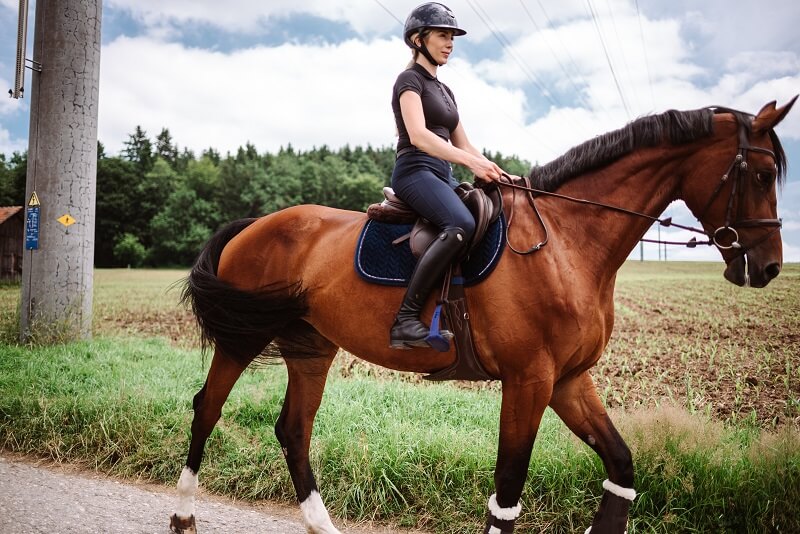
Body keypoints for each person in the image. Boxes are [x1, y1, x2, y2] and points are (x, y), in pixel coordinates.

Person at [389, 2, 504, 349]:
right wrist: (472, 165)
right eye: (442, 35)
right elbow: (419, 135)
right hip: (414, 171)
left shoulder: (446, 91)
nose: (450, 42)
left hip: (442, 175)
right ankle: (406, 320)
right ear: (418, 39)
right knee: (460, 225)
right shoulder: (409, 80)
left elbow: (465, 144)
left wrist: (496, 170)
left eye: (452, 36)